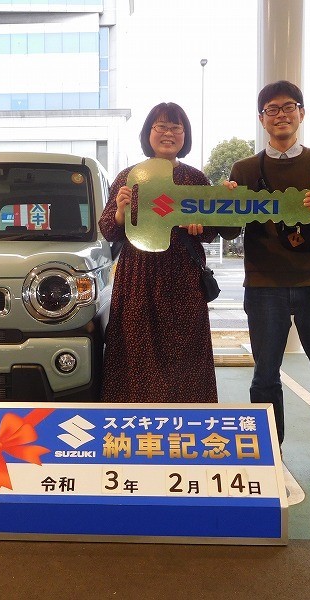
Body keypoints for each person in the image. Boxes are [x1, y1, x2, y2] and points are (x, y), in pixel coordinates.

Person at [223, 80, 310, 482]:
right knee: (265, 375)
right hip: (264, 283)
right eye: (272, 109)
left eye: (289, 107)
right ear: (261, 119)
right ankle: (269, 452)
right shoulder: (244, 170)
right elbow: (229, 232)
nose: (281, 115)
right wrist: (228, 207)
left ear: (302, 113)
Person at [99, 102, 229, 403]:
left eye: (176, 127)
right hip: (138, 277)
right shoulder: (129, 176)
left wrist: (199, 226)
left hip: (184, 277)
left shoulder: (196, 179)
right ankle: (135, 421)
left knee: (186, 353)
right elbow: (108, 230)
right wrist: (120, 212)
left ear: (185, 135)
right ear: (149, 132)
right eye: (161, 126)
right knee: (136, 349)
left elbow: (211, 231)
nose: (168, 133)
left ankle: (186, 421)